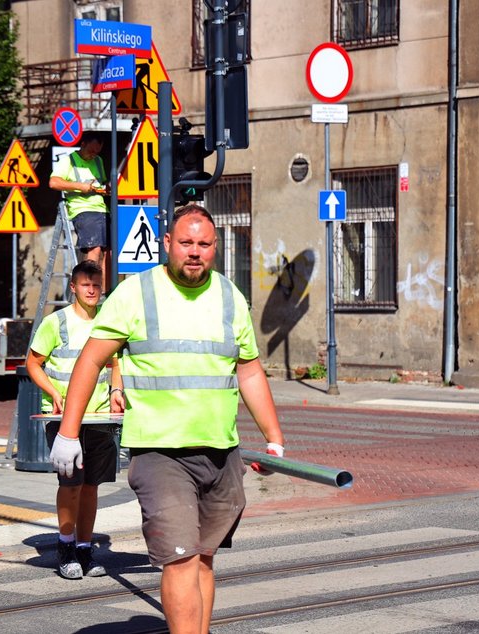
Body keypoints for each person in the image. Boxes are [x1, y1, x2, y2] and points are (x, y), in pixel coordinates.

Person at [48, 204, 286, 633]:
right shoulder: (136, 293)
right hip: (161, 454)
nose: (194, 252)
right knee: (181, 558)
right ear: (167, 244)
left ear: (215, 247)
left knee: (204, 559)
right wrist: (68, 432)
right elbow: (90, 361)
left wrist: (274, 439)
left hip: (220, 451)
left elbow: (248, 369)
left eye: (203, 244)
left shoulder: (230, 296)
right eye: (186, 243)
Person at [25, 261, 124, 580]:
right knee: (71, 485)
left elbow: (114, 362)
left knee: (92, 486)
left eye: (97, 284)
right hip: (64, 418)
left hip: (98, 417)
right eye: (86, 285)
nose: (93, 290)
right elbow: (33, 363)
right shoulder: (57, 323)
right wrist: (53, 392)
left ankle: (84, 546)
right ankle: (65, 544)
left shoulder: (107, 322)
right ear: (74, 288)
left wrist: (117, 389)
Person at [49, 131, 111, 284]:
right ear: (82, 144)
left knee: (110, 251)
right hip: (83, 209)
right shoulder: (68, 161)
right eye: (91, 151)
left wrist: (107, 188)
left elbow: (101, 183)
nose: (93, 155)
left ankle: (106, 290)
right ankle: (89, 285)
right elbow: (54, 182)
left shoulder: (98, 161)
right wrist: (79, 186)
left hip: (102, 209)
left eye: (97, 151)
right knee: (94, 247)